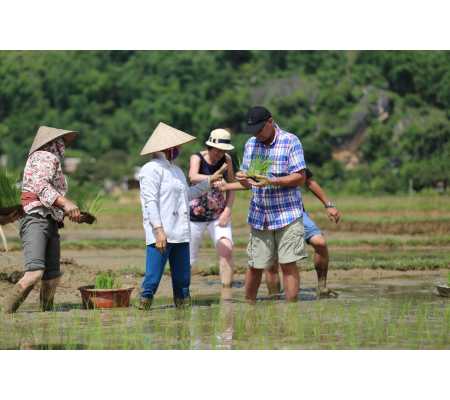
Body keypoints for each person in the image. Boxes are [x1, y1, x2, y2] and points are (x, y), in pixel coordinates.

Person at [223, 106, 308, 303]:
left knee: (288, 264)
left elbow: (300, 177)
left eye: (260, 130)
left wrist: (272, 181)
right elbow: (248, 182)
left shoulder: (290, 141)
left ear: (270, 121)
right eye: (253, 131)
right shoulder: (251, 145)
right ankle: (249, 305)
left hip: (287, 214)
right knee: (255, 265)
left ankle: (291, 310)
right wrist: (242, 177)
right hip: (260, 214)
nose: (257, 135)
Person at [138, 122, 225, 310]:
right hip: (161, 234)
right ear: (168, 148)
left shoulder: (176, 171)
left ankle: (182, 321)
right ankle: (142, 312)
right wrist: (158, 231)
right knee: (152, 281)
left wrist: (210, 181)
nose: (179, 149)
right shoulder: (150, 169)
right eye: (177, 146)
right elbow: (150, 202)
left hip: (181, 233)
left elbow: (187, 195)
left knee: (183, 284)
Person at [2, 126, 82, 314]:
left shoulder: (46, 158)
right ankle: (4, 312)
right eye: (60, 142)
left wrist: (66, 209)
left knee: (52, 277)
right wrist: (66, 203)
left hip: (49, 219)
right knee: (34, 273)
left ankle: (45, 315)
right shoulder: (45, 157)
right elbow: (41, 185)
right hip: (36, 218)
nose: (63, 146)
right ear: (53, 143)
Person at [265, 168, 341, 298]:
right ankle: (274, 298)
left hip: (295, 211)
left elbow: (309, 181)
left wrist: (328, 205)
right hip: (268, 212)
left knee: (320, 243)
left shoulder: (292, 152)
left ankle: (322, 286)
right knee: (272, 261)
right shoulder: (257, 153)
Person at [188, 128, 236, 287]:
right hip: (194, 216)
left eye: (223, 151)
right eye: (218, 150)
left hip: (218, 214)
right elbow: (193, 177)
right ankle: (182, 290)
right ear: (210, 146)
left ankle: (226, 290)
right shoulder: (197, 158)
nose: (220, 154)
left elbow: (232, 186)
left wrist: (227, 211)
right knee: (188, 257)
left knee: (226, 250)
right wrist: (212, 178)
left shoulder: (227, 160)